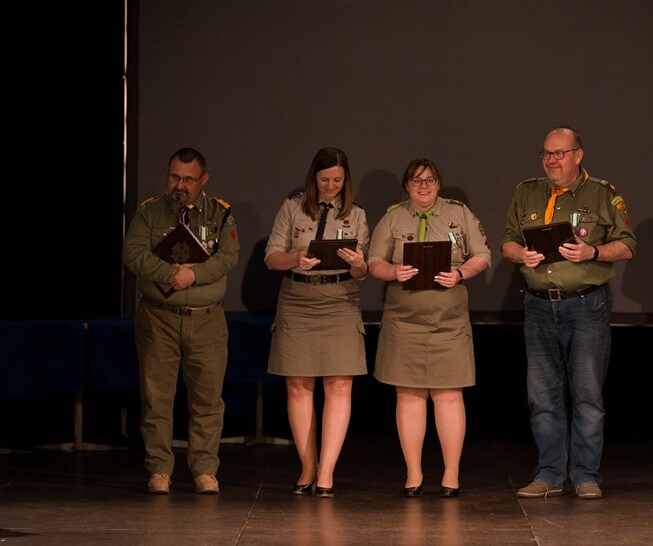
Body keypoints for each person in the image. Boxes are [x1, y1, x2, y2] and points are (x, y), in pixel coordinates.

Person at [500, 126, 636, 501]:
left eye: (559, 153)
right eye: (546, 153)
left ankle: (587, 475)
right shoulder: (526, 191)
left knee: (587, 395)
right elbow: (508, 239)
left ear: (579, 155)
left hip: (586, 305)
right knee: (542, 396)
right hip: (539, 305)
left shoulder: (602, 193)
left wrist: (592, 252)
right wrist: (519, 254)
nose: (551, 160)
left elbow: (627, 246)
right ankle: (549, 474)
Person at [367, 158, 491, 498]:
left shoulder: (459, 212)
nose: (424, 186)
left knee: (449, 394)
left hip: (447, 321)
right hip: (404, 320)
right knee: (408, 394)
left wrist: (461, 273)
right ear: (406, 185)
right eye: (417, 181)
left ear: (439, 183)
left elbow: (482, 254)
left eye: (430, 180)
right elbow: (372, 262)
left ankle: (451, 475)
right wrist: (394, 273)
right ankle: (414, 474)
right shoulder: (393, 216)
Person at [122, 147, 240, 495]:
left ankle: (204, 469)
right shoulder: (149, 212)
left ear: (203, 180)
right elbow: (133, 253)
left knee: (207, 399)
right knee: (157, 397)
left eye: (188, 179)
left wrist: (195, 276)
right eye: (174, 176)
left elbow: (228, 257)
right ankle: (159, 469)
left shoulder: (220, 214)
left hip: (207, 320)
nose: (180, 185)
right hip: (159, 318)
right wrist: (170, 273)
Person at [264, 147, 370, 498]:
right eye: (324, 180)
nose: (331, 186)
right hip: (298, 300)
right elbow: (272, 258)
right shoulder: (291, 208)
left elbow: (363, 270)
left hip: (339, 301)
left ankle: (327, 471)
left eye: (337, 180)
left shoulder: (357, 214)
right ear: (314, 178)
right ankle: (308, 466)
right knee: (299, 386)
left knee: (339, 385)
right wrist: (297, 257)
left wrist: (357, 263)